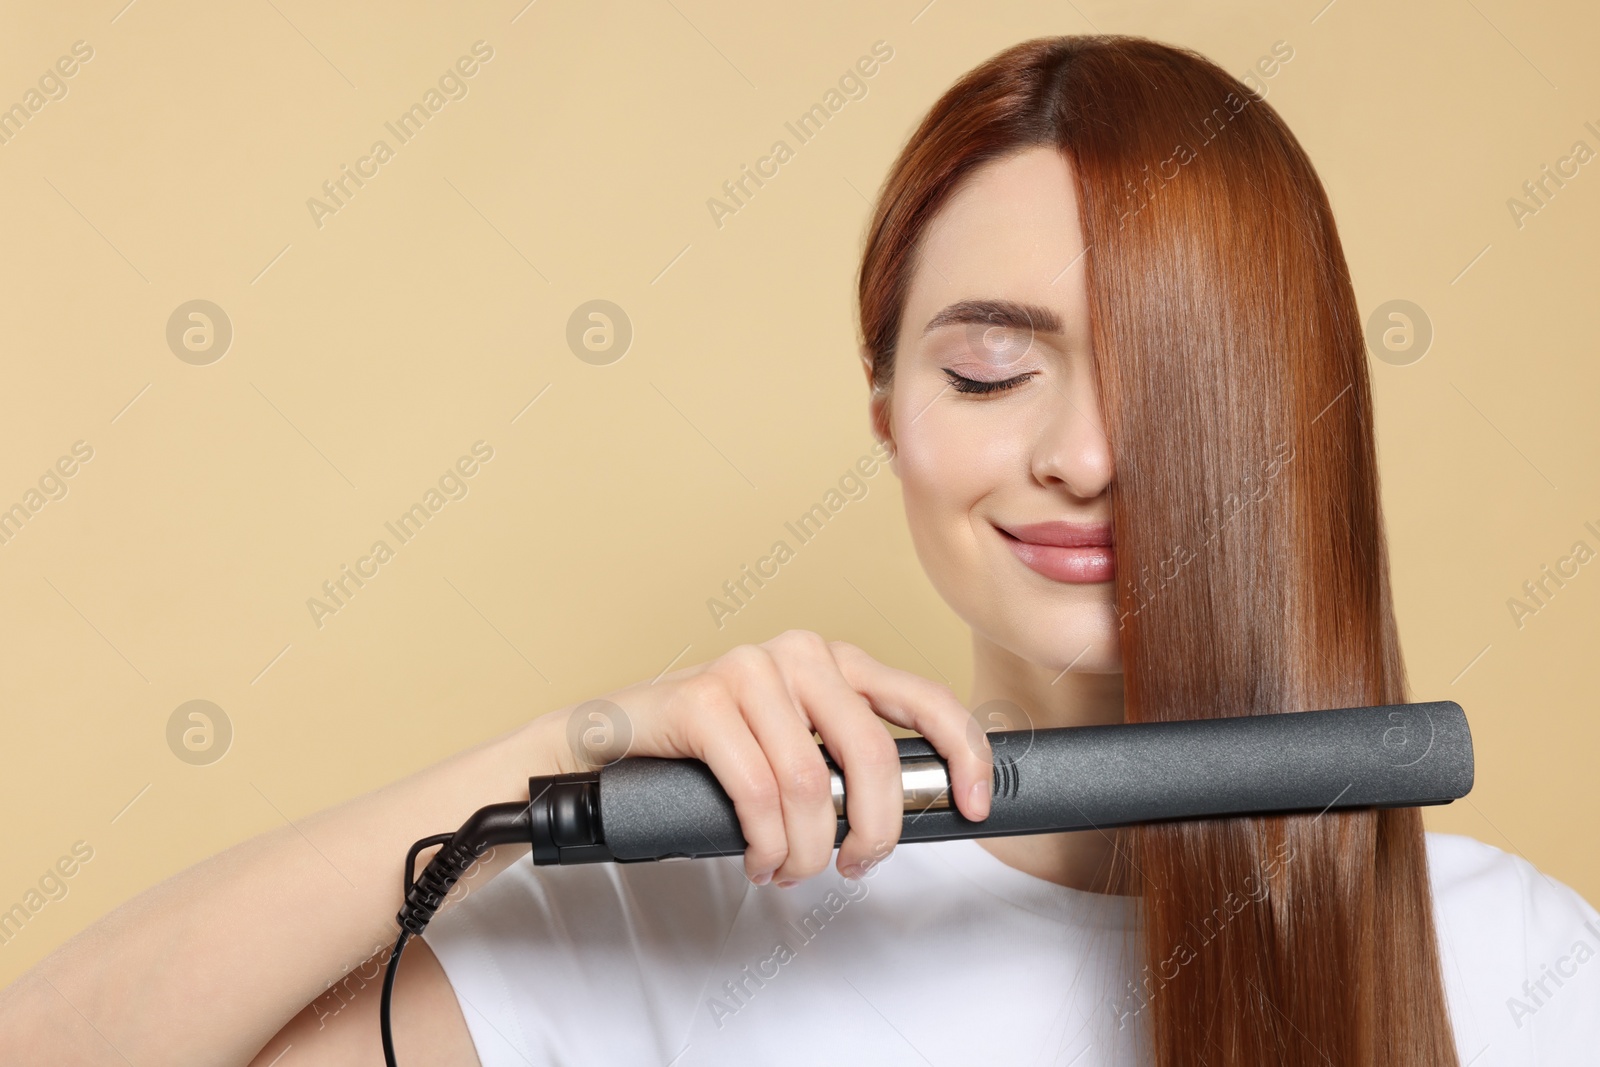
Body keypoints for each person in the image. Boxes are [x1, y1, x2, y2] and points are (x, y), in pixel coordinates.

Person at [3, 33, 1596, 1067]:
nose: (1086, 455)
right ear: (894, 411)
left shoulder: (1522, 971)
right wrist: (566, 754)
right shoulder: (658, 930)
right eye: (989, 370)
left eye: (1168, 378)